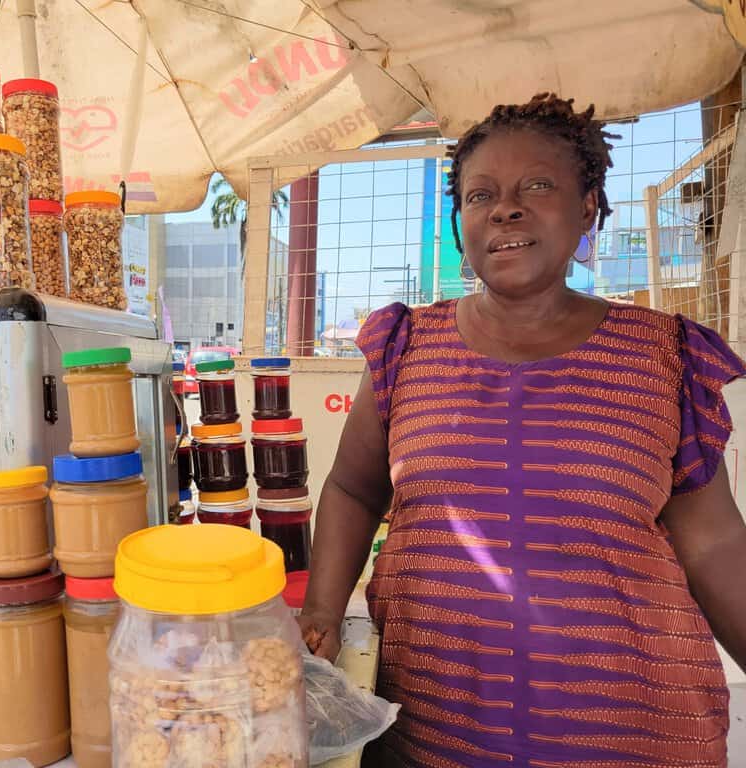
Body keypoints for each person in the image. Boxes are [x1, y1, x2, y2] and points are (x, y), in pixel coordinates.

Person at [298, 93, 746, 766]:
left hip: (630, 730)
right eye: (480, 196)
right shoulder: (404, 347)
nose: (504, 207)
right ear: (459, 225)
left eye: (536, 185)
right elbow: (353, 490)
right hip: (435, 725)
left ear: (589, 203)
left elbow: (713, 544)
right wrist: (323, 613)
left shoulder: (664, 358)